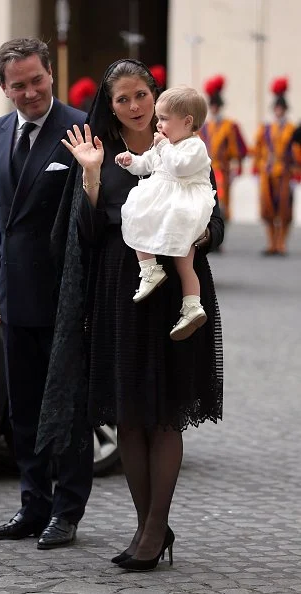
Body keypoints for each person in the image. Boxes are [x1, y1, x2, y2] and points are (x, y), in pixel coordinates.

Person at [35, 59, 224, 572]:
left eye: (142, 94)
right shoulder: (97, 151)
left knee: (164, 415)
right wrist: (92, 175)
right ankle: (149, 529)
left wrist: (192, 234)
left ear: (156, 96)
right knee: (130, 419)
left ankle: (150, 531)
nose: (136, 106)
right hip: (122, 292)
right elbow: (87, 236)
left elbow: (216, 222)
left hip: (177, 292)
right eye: (124, 99)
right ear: (111, 104)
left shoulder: (184, 147)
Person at [0, 38, 94, 550]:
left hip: (64, 298)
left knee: (66, 408)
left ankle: (66, 513)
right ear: (3, 87)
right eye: (18, 85)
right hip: (11, 293)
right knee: (22, 408)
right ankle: (32, 505)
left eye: (37, 80)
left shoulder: (80, 129)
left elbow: (95, 216)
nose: (30, 93)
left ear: (52, 74)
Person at [115, 85, 216, 341]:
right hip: (165, 200)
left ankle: (192, 305)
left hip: (185, 203)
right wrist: (130, 161)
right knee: (137, 215)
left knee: (185, 260)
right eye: (158, 118)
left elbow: (179, 168)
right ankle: (150, 269)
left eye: (164, 119)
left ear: (187, 121)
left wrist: (162, 148)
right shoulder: (165, 144)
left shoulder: (194, 147)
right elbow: (146, 164)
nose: (158, 125)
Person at [251, 77, 296, 256]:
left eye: (281, 109)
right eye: (277, 108)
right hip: (268, 172)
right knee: (268, 210)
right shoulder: (266, 128)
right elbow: (258, 148)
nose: (279, 111)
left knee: (285, 210)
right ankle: (271, 242)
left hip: (285, 173)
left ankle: (281, 243)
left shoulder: (292, 129)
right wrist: (257, 167)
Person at [200, 75, 247, 223]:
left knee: (222, 204)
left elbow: (239, 149)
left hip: (223, 169)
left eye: (217, 106)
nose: (214, 108)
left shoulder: (230, 126)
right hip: (205, 169)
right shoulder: (204, 127)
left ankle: (220, 234)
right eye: (212, 106)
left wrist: (237, 166)